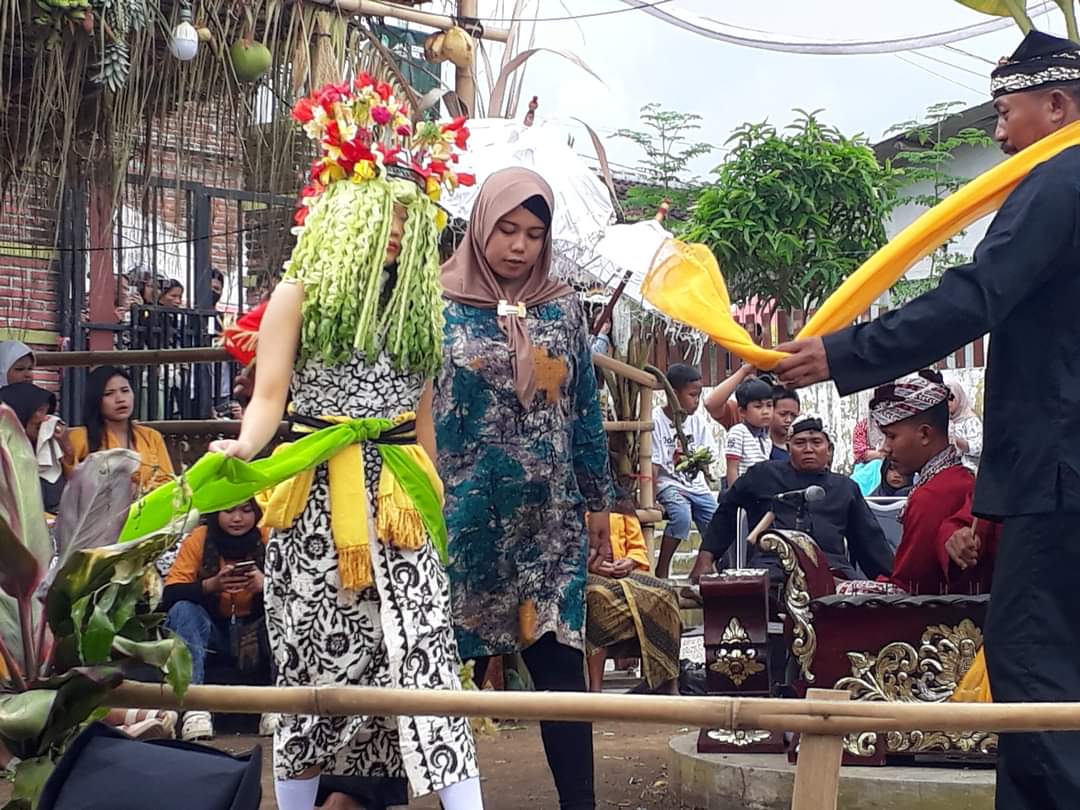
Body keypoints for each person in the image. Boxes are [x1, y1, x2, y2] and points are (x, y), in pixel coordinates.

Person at [773, 30, 1080, 808]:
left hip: (1059, 475)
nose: (1000, 134)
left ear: (1058, 105)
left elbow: (973, 297)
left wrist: (843, 354)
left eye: (1007, 114)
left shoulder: (1059, 183)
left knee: (1034, 670)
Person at [210, 76, 481, 810]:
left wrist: (437, 503)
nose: (398, 232)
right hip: (312, 497)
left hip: (398, 498)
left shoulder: (422, 311)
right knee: (308, 667)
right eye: (384, 216)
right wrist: (243, 448)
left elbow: (421, 424)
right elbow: (268, 400)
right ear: (348, 214)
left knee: (427, 658)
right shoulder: (295, 297)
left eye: (410, 219)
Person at [436, 167, 613, 810]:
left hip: (551, 520)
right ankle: (364, 794)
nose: (518, 246)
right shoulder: (437, 303)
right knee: (425, 663)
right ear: (481, 225)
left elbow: (585, 408)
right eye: (506, 229)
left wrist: (598, 502)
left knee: (560, 667)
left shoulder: (562, 306)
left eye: (534, 234)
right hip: (463, 516)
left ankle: (580, 804)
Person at [690, 415, 893, 589]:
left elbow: (869, 541)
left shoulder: (846, 488)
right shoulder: (764, 475)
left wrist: (893, 581)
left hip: (832, 571)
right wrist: (706, 557)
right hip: (771, 569)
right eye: (800, 443)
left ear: (829, 449)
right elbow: (727, 510)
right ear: (788, 448)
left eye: (816, 442)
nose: (808, 449)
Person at [868, 371, 997, 595]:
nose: (885, 448)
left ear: (925, 434)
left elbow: (909, 588)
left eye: (891, 436)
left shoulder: (931, 496)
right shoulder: (961, 479)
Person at [163, 500, 271, 742]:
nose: (237, 518)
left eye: (246, 510)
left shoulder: (268, 534)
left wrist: (267, 585)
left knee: (283, 611)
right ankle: (195, 708)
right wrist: (211, 585)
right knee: (183, 610)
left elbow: (298, 588)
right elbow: (169, 595)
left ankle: (278, 706)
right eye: (229, 509)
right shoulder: (200, 538)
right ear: (216, 512)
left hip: (257, 632)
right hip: (214, 633)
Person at [585, 496, 681, 695]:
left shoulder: (622, 504)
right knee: (597, 595)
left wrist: (629, 561)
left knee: (665, 593)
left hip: (626, 573)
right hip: (588, 573)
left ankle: (667, 683)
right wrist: (593, 565)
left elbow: (637, 548)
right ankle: (595, 690)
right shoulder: (573, 504)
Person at [651, 363, 720, 579]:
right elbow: (652, 465)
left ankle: (699, 572)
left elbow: (707, 454)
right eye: (692, 395)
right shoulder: (655, 420)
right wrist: (651, 498)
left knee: (716, 521)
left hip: (695, 485)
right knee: (681, 516)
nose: (697, 402)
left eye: (699, 395)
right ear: (672, 392)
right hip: (669, 483)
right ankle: (662, 570)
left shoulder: (696, 421)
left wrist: (696, 465)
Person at [66, 366, 174, 492]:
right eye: (108, 394)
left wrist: (142, 490)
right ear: (96, 400)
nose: (120, 399)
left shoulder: (151, 436)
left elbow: (168, 483)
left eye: (125, 390)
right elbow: (71, 485)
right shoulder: (79, 438)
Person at [0, 382, 74, 512]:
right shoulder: (4, 457)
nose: (46, 419)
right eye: (40, 411)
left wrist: (66, 446)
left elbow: (74, 488)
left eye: (47, 411)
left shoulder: (50, 452)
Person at [724, 376, 774, 486]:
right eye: (758, 406)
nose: (765, 411)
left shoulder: (766, 437)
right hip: (744, 491)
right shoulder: (738, 432)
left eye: (769, 405)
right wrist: (735, 497)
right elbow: (732, 468)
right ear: (742, 411)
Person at [948, 381, 983, 472]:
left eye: (951, 398)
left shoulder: (971, 420)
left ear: (959, 397)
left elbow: (980, 447)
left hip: (969, 471)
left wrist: (959, 443)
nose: (948, 403)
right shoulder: (945, 420)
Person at [769, 387, 801, 461]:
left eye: (794, 416)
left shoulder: (800, 450)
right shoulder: (759, 447)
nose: (789, 420)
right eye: (783, 414)